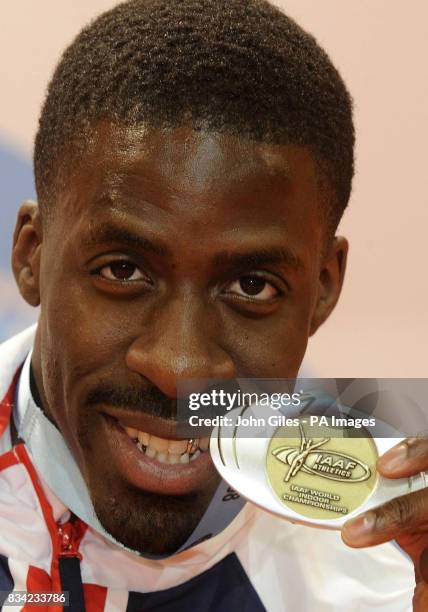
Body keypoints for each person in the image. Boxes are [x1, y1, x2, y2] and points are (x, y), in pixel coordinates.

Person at [1, 0, 427, 610]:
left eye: (251, 286)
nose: (179, 366)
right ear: (31, 256)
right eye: (123, 271)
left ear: (324, 287)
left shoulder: (391, 566)